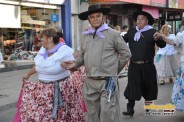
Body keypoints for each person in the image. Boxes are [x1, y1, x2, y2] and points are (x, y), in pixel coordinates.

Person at [62, 4, 131, 122]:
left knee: (108, 114)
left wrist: (113, 71)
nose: (95, 19)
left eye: (98, 16)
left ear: (103, 17)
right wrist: (74, 64)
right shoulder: (85, 36)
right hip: (90, 81)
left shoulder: (113, 34)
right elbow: (83, 57)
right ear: (89, 19)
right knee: (91, 114)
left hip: (108, 81)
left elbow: (126, 54)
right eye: (92, 17)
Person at [16, 28, 85, 121]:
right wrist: (28, 74)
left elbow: (74, 67)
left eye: (42, 38)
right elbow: (38, 65)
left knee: (61, 117)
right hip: (42, 90)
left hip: (62, 90)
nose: (41, 40)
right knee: (40, 116)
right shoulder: (43, 50)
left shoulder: (64, 51)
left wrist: (67, 66)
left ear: (50, 39)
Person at [122, 11, 166, 117]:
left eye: (142, 19)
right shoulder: (132, 31)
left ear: (146, 21)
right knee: (132, 87)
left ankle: (148, 107)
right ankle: (130, 109)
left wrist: (158, 39)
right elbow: (121, 41)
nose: (139, 21)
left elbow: (163, 44)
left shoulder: (152, 32)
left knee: (148, 87)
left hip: (147, 65)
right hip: (134, 65)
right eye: (138, 19)